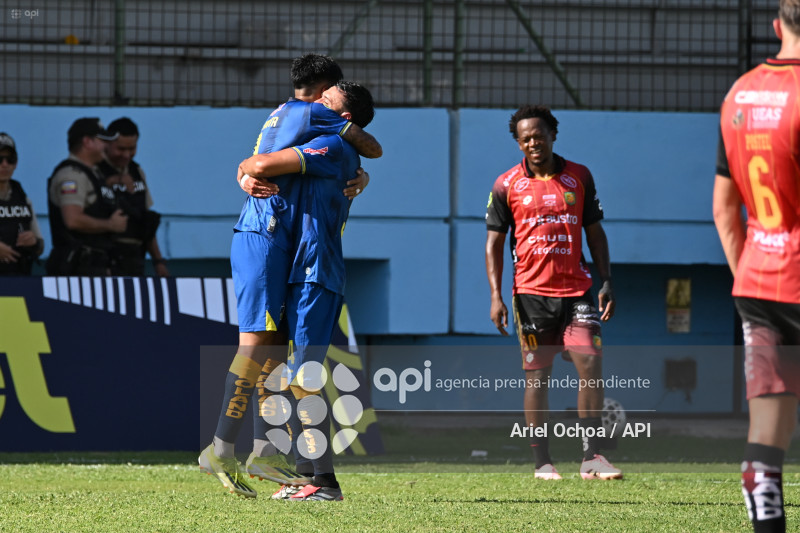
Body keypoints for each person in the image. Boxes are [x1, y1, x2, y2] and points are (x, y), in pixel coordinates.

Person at [198, 53, 380, 500]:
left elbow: (264, 164)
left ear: (341, 111)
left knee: (296, 367)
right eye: (329, 88)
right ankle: (254, 450)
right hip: (286, 253)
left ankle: (313, 476)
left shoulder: (328, 139)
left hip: (314, 266)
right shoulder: (309, 119)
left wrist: (246, 169)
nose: (324, 97)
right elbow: (260, 166)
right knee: (272, 354)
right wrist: (245, 172)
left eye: (332, 96)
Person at [485, 105, 621, 481]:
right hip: (530, 295)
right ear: (518, 143)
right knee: (537, 378)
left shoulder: (579, 176)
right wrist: (496, 295)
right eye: (525, 138)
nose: (533, 143)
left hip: (578, 290)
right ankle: (542, 461)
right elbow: (493, 244)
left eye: (539, 136)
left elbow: (595, 233)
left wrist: (606, 279)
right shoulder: (506, 184)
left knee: (590, 364)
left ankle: (592, 457)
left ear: (552, 135)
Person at [713, 2, 800, 531]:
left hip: (759, 283)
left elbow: (725, 209)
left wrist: (750, 273)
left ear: (777, 26)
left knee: (767, 436)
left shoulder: (739, 94)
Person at [46, 118, 127, 276]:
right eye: (103, 141)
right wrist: (110, 224)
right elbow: (73, 220)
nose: (107, 146)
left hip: (96, 266)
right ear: (87, 142)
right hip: (77, 269)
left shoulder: (93, 174)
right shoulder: (72, 175)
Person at [97, 117, 168, 276]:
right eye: (121, 149)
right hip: (104, 260)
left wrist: (158, 261)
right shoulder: (95, 170)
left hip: (135, 258)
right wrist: (110, 182)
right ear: (107, 144)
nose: (127, 155)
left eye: (132, 149)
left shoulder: (136, 172)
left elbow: (146, 220)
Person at [0, 133, 44, 274]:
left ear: (16, 163)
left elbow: (40, 246)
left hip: (19, 280)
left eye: (10, 159)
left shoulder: (22, 197)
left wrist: (33, 242)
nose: (4, 164)